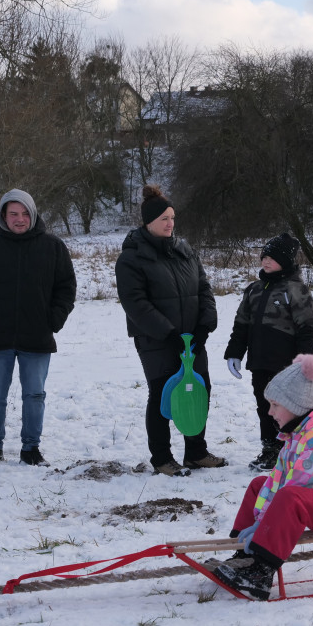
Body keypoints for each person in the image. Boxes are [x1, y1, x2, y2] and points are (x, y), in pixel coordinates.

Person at [211, 354, 313, 601]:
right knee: (259, 485)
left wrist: (262, 527)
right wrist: (258, 523)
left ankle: (261, 572)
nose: (270, 412)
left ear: (295, 406)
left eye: (275, 405)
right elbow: (277, 482)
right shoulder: (297, 434)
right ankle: (244, 555)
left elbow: (298, 487)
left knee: (291, 496)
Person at [115, 184, 225, 476]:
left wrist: (204, 325)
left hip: (192, 338)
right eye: (164, 218)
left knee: (199, 389)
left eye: (172, 217)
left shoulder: (184, 250)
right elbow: (135, 303)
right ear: (148, 222)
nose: (170, 223)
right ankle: (162, 457)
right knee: (163, 393)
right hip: (156, 339)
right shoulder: (132, 257)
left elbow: (204, 288)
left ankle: (196, 452)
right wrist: (169, 334)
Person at [0, 189, 77, 469]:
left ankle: (31, 449)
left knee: (35, 395)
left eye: (25, 213)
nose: (20, 219)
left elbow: (66, 288)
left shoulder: (53, 247)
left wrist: (53, 320)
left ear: (33, 214)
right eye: (14, 213)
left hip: (37, 337)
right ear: (3, 215)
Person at [224, 232, 313, 471]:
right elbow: (241, 325)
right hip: (259, 361)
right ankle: (270, 448)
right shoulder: (254, 289)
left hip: (286, 364)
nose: (266, 261)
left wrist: (305, 360)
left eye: (272, 258)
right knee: (264, 405)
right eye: (264, 256)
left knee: (287, 407)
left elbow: (308, 327)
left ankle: (292, 448)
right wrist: (235, 352)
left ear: (285, 262)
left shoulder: (296, 290)